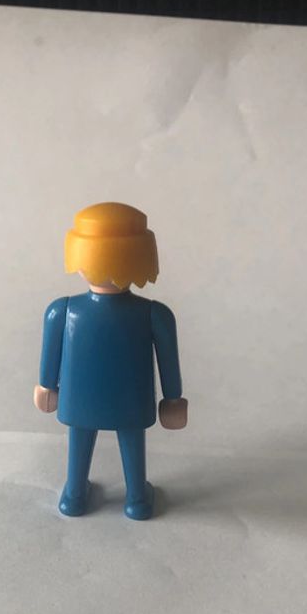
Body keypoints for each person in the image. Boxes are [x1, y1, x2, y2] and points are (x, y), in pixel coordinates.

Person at [34, 202, 187, 520]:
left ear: (78, 254)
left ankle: (75, 496)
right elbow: (168, 361)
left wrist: (46, 388)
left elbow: (49, 360)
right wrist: (173, 399)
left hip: (80, 400)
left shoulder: (62, 310)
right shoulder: (154, 314)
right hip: (130, 400)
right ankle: (137, 500)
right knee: (132, 441)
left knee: (79, 439)